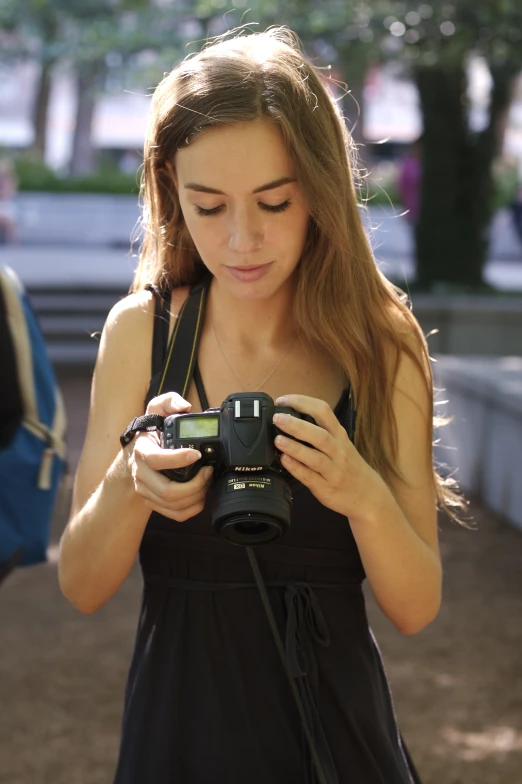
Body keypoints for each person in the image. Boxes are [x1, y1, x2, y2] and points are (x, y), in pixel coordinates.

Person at [58, 27, 460, 784]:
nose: (242, 240)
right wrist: (130, 480)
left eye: (273, 202)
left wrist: (363, 495)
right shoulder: (143, 333)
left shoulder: (382, 342)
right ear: (169, 189)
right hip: (176, 739)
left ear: (320, 189)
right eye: (208, 207)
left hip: (339, 747)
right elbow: (80, 585)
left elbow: (417, 605)